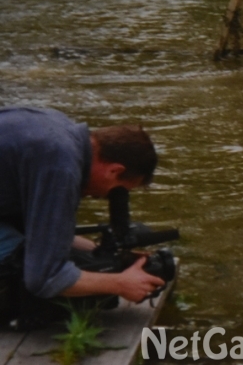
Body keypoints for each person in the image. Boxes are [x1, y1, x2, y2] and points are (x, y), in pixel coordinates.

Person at [0, 107, 165, 324]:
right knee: (26, 286)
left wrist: (101, 251)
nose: (105, 197)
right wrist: (120, 283)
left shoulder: (58, 129)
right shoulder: (61, 167)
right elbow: (45, 277)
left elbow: (41, 229)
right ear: (114, 171)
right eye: (118, 190)